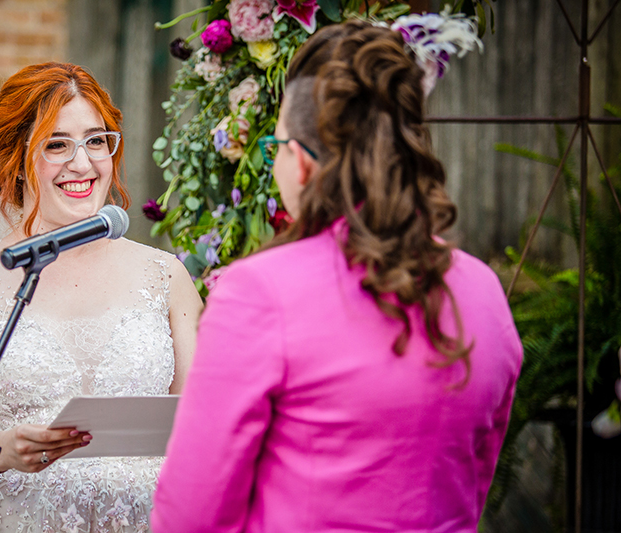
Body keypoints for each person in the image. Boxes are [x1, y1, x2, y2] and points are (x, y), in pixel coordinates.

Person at [151, 18, 523, 533]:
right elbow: (473, 484)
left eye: (275, 146)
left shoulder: (259, 292)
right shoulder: (483, 291)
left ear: (300, 163)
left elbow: (192, 515)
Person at [0, 62, 202, 533]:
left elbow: (204, 418)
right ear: (14, 160)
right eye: (56, 145)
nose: (83, 163)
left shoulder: (165, 276)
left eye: (96, 140)